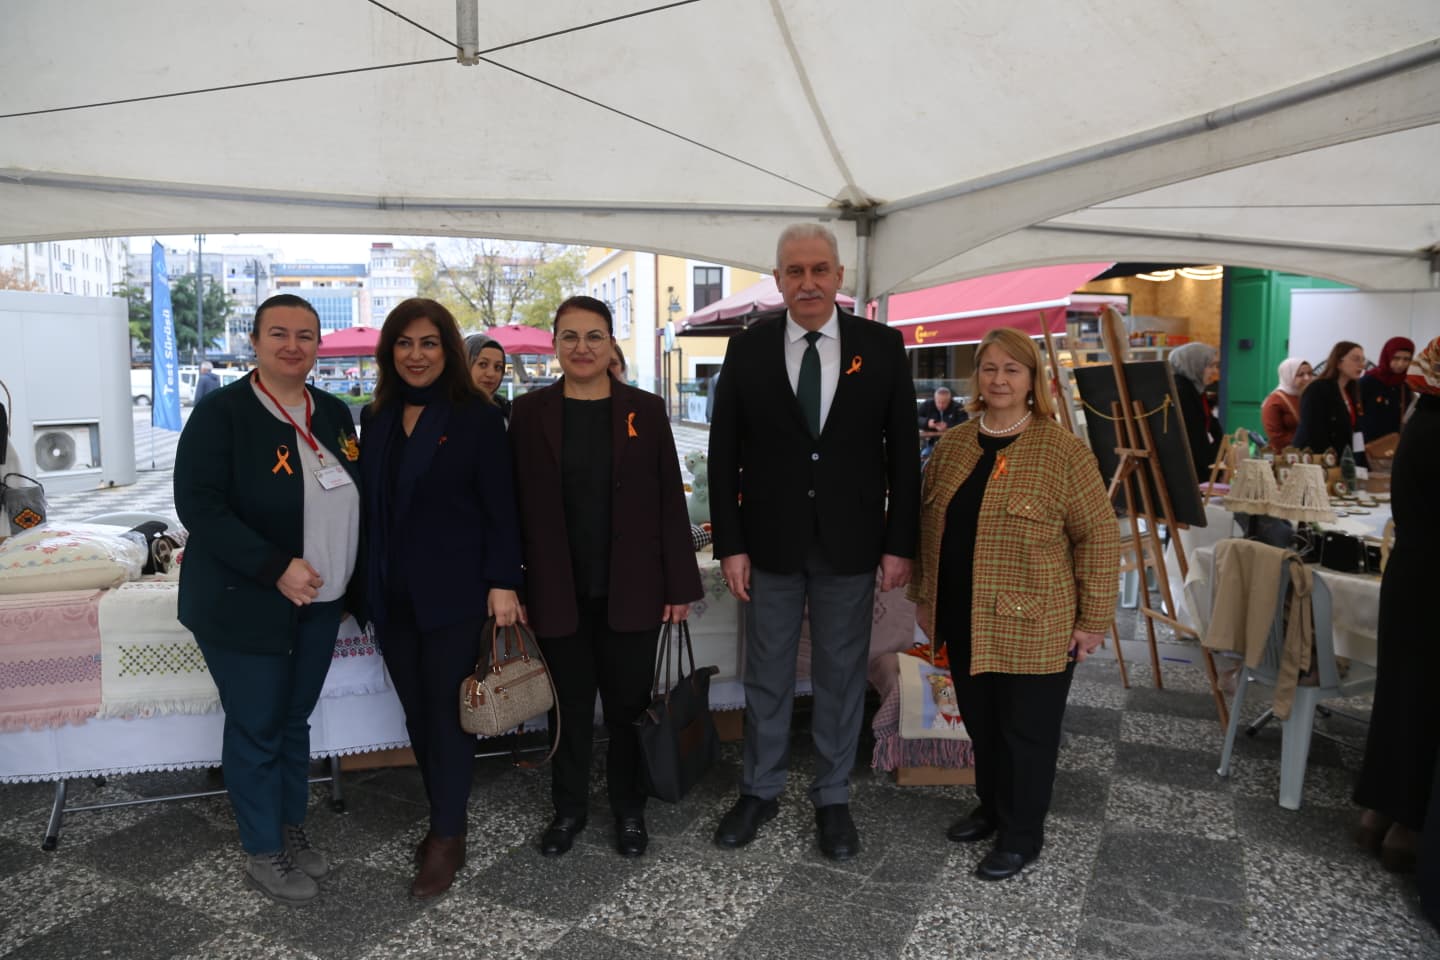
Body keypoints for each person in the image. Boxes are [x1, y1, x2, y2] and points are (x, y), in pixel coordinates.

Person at [707, 223, 920, 861]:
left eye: (819, 269)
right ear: (778, 279)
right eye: (795, 271)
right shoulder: (748, 349)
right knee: (767, 674)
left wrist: (899, 543)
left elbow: (903, 455)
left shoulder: (882, 346)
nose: (808, 282)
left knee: (840, 676)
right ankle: (759, 789)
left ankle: (832, 797)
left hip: (851, 542)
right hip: (769, 543)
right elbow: (723, 454)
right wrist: (731, 545)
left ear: (839, 276)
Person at [173, 294, 363, 906]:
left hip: (321, 600)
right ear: (253, 342)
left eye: (305, 335)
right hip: (244, 600)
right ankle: (262, 848)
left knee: (292, 721)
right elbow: (199, 506)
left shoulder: (332, 411)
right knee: (256, 726)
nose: (292, 345)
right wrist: (275, 566)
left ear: (318, 346)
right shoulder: (223, 413)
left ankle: (288, 824)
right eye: (278, 333)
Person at [909, 327, 1118, 880]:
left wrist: (1093, 620)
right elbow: (928, 529)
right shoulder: (953, 445)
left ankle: (1022, 834)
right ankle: (993, 808)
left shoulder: (1063, 451)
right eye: (989, 368)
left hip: (1037, 620)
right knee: (981, 722)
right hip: (963, 612)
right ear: (977, 376)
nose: (999, 379)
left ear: (1032, 380)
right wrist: (925, 597)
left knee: (1026, 732)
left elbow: (1098, 537)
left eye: (1012, 369)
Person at [509, 295, 701, 859]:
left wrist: (680, 586)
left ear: (611, 343)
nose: (582, 347)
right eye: (569, 336)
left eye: (594, 336)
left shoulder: (645, 409)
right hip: (556, 587)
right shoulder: (529, 413)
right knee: (567, 709)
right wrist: (513, 584)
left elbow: (670, 501)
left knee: (627, 709)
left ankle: (629, 809)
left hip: (632, 586)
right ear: (555, 345)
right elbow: (512, 503)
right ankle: (568, 809)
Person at [359, 299, 523, 898]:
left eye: (428, 343)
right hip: (391, 595)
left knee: (450, 717)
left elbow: (502, 506)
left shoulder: (477, 417)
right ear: (390, 352)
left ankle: (446, 837)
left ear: (448, 349)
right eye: (404, 343)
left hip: (456, 594)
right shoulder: (375, 416)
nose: (416, 354)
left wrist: (504, 582)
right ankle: (444, 814)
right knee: (417, 713)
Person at [1353, 335, 1439, 876]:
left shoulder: (1421, 416)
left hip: (1409, 574)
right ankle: (1407, 824)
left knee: (1398, 696)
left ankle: (1377, 814)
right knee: (1427, 700)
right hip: (1433, 579)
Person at [1293, 340, 1368, 466]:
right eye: (1356, 359)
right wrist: (1329, 462)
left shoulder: (1352, 391)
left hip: (1342, 460)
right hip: (1316, 460)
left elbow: (1356, 430)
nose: (1361, 365)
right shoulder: (1317, 389)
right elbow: (1313, 431)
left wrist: (1359, 462)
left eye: (1363, 360)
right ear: (1338, 362)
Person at [1168, 342, 1222, 482]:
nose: (1215, 372)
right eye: (1210, 366)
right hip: (1189, 473)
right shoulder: (1182, 392)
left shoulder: (1195, 389)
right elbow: (1194, 438)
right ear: (1194, 365)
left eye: (1216, 366)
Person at [1357, 336, 1414, 443]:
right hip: (1368, 445)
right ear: (1387, 356)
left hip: (1394, 446)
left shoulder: (1405, 385)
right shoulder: (1368, 382)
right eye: (1396, 358)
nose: (1401, 364)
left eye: (1406, 359)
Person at [1260, 358, 1313, 451]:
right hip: (1287, 455)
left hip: (1308, 453)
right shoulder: (1275, 401)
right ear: (1288, 376)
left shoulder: (1306, 396)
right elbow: (1276, 437)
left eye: (1310, 373)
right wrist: (1302, 443)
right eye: (1301, 375)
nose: (1307, 378)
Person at [464, 333, 511, 422]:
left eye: (498, 367)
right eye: (483, 364)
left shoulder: (506, 409)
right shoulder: (445, 411)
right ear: (465, 365)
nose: (491, 374)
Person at [917, 385, 968, 451]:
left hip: (952, 443)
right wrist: (927, 423)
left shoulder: (958, 407)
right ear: (934, 399)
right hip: (930, 442)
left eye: (944, 403)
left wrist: (948, 427)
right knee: (925, 454)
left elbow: (964, 424)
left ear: (950, 400)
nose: (941, 405)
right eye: (938, 402)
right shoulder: (927, 405)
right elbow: (917, 418)